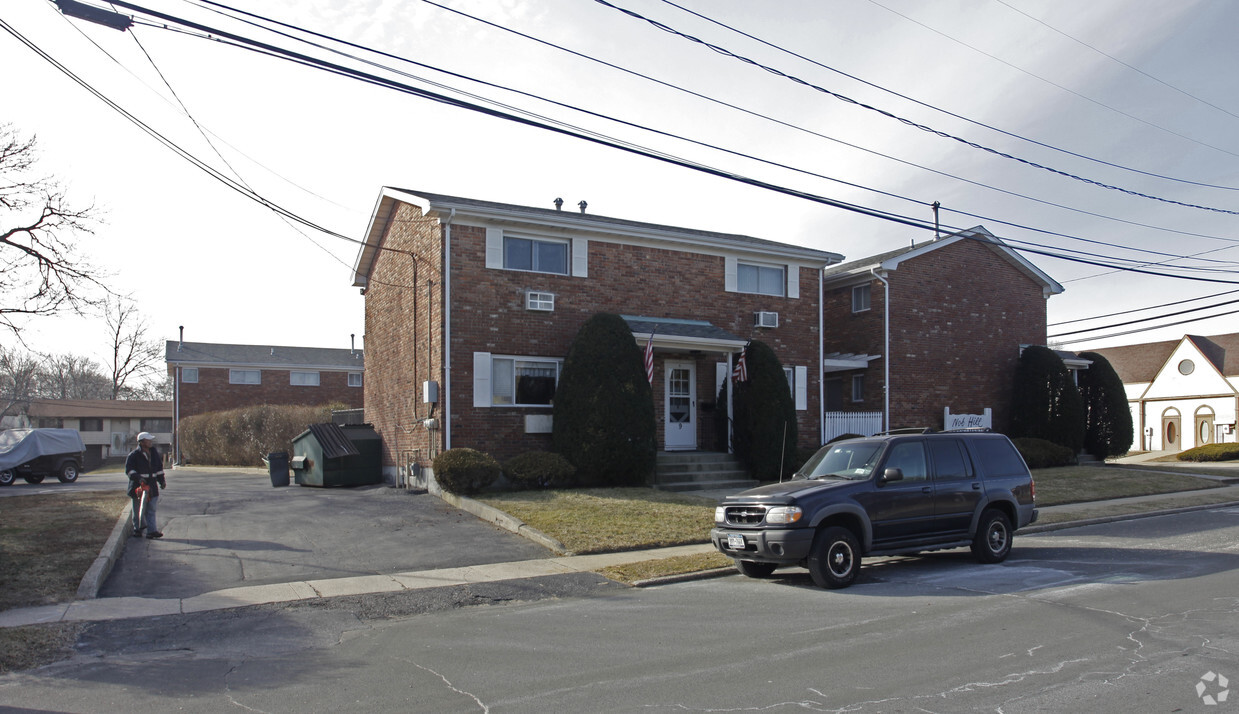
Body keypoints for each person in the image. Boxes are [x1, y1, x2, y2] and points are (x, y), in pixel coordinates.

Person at [126, 432, 166, 538]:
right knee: (138, 509)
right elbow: (129, 471)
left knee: (151, 509)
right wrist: (138, 478)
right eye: (148, 440)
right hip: (138, 487)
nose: (150, 442)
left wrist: (162, 481)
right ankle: (137, 529)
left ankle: (151, 531)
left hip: (152, 486)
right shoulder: (133, 455)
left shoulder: (154, 454)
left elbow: (159, 469)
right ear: (142, 442)